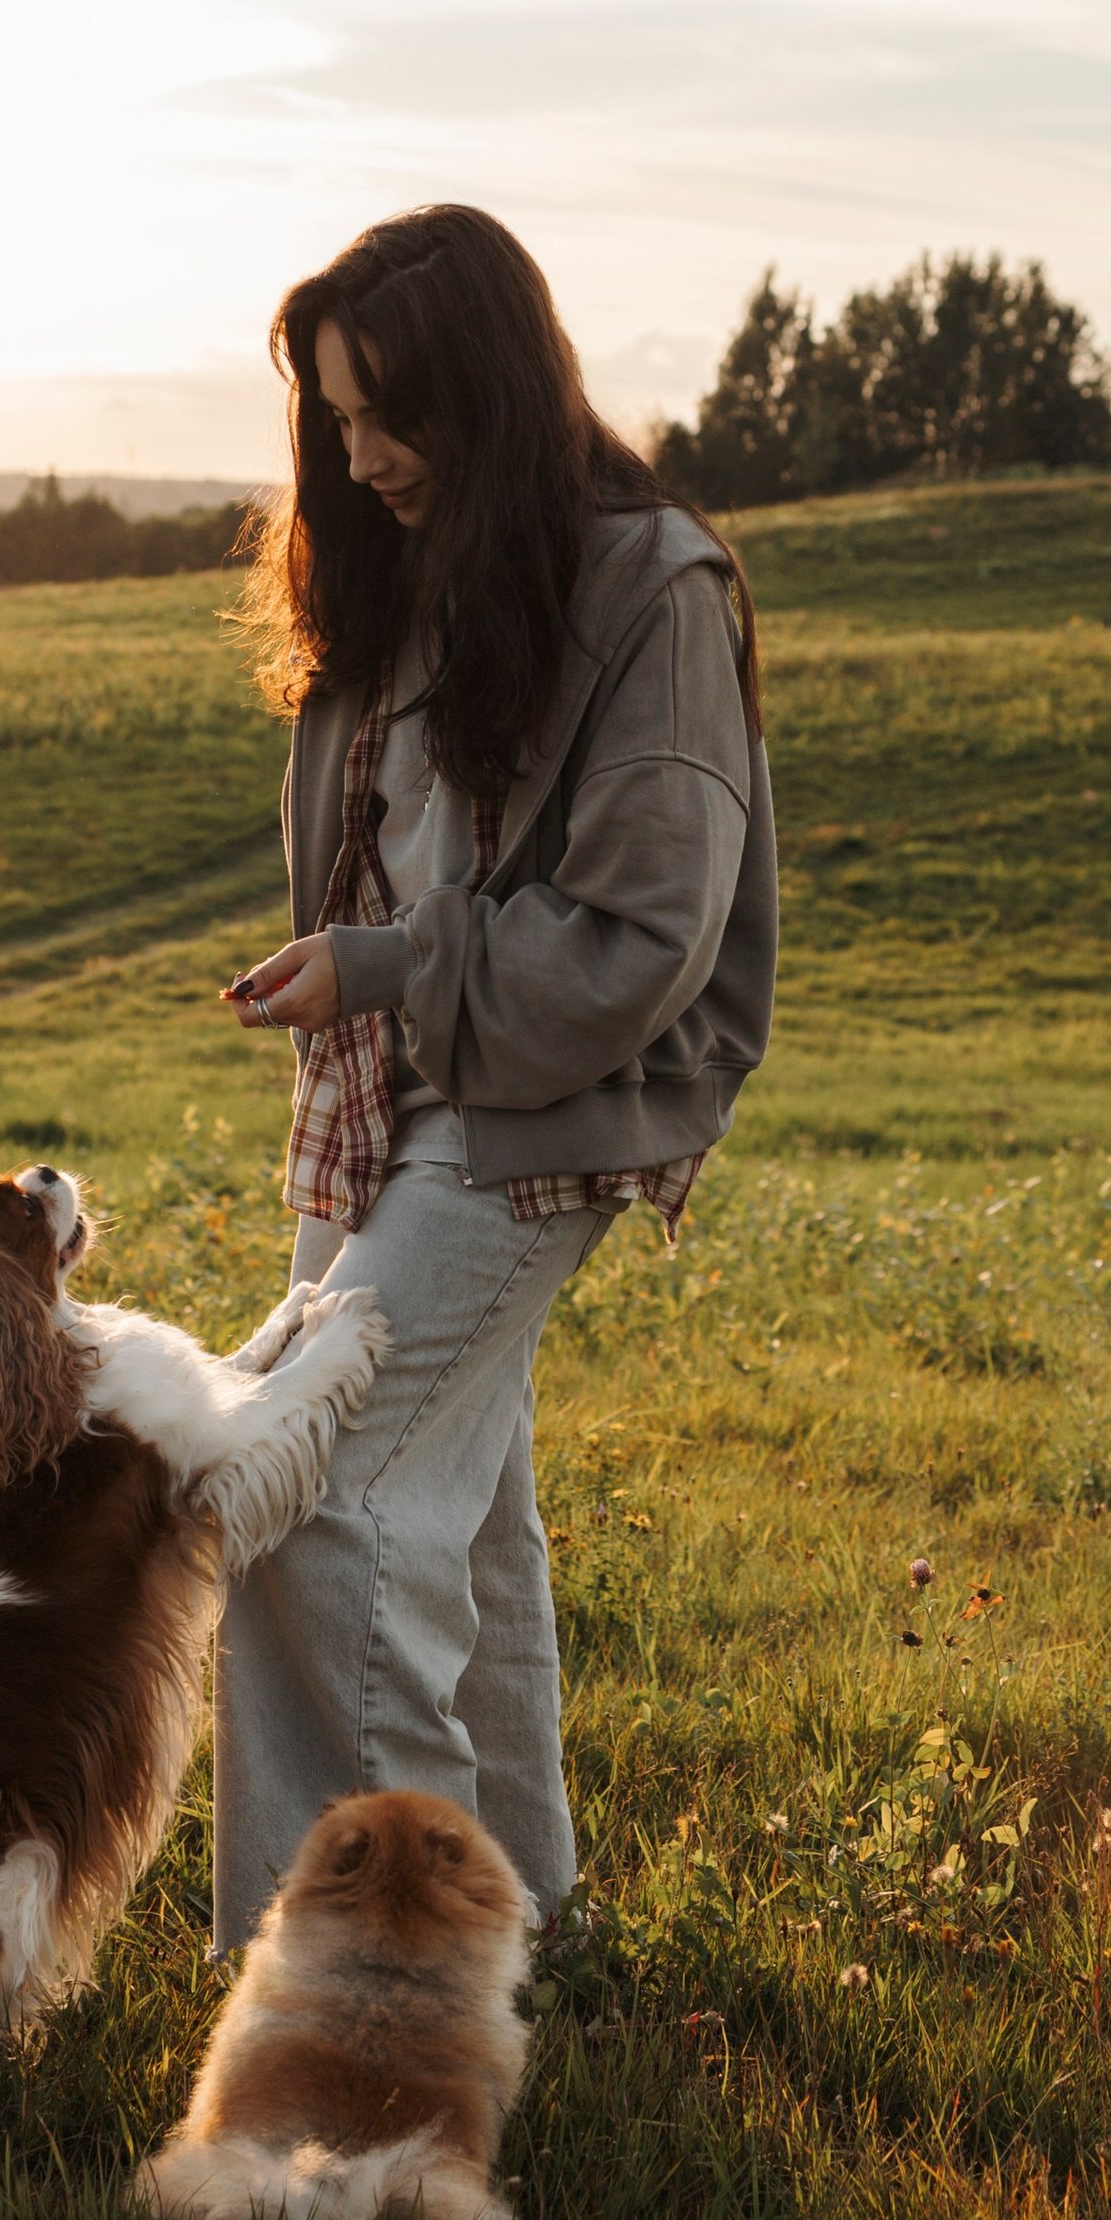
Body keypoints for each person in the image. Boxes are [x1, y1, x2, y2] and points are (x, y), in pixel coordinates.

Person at [214, 203, 776, 1948]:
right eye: (336, 417)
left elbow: (638, 936)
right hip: (389, 1097)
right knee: (462, 1512)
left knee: (311, 1492)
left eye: (393, 414)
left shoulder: (646, 585)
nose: (364, 455)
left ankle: (371, 1987)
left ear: (495, 392)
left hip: (537, 1108)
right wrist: (353, 970)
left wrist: (382, 965)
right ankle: (536, 1927)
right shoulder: (410, 557)